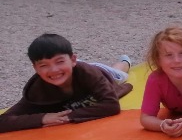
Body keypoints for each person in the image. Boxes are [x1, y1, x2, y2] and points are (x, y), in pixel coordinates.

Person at [0, 33, 132, 133]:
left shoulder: (89, 74)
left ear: (73, 60)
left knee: (119, 73)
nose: (53, 70)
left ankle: (125, 62)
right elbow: (3, 121)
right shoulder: (37, 90)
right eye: (44, 65)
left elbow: (111, 105)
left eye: (59, 61)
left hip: (101, 71)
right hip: (71, 69)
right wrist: (43, 118)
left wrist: (68, 117)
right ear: (35, 68)